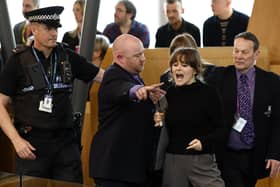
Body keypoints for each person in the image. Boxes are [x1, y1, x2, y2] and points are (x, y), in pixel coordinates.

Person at [0, 6, 104, 183]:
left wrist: (134, 85)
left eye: (56, 28)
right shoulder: (18, 60)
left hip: (65, 143)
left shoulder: (66, 55)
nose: (54, 33)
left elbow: (101, 76)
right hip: (32, 143)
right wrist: (16, 140)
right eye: (48, 29)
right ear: (34, 29)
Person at [89, 34, 165, 187]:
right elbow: (123, 89)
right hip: (115, 170)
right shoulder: (113, 75)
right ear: (119, 57)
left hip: (128, 169)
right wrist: (137, 90)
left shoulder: (133, 75)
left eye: (142, 53)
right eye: (137, 55)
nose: (143, 58)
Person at [206, 32, 280, 187]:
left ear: (256, 54)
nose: (238, 56)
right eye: (236, 51)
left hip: (255, 154)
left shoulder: (271, 82)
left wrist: (275, 154)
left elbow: (277, 121)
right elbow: (193, 70)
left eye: (244, 52)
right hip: (227, 154)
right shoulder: (219, 76)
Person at [159, 47, 225, 187]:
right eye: (175, 65)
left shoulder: (209, 93)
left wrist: (204, 142)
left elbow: (222, 129)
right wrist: (158, 120)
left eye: (184, 65)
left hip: (202, 160)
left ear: (195, 70)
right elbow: (164, 130)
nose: (178, 69)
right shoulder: (168, 94)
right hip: (173, 161)